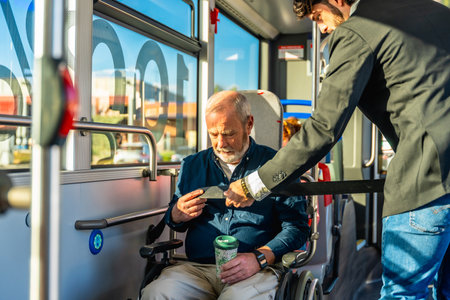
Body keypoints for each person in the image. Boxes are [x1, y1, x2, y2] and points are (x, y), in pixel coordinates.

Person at [224, 0, 450, 299]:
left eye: (319, 16)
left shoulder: (357, 31)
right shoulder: (436, 11)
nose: (323, 27)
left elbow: (324, 128)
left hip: (427, 179)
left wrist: (254, 184)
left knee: (404, 294)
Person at [141, 91, 309, 300]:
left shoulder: (277, 166)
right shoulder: (192, 165)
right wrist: (177, 213)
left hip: (257, 270)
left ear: (249, 124)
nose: (221, 143)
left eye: (229, 133)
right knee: (155, 293)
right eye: (213, 134)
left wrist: (259, 257)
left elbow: (298, 229)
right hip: (198, 269)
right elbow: (175, 222)